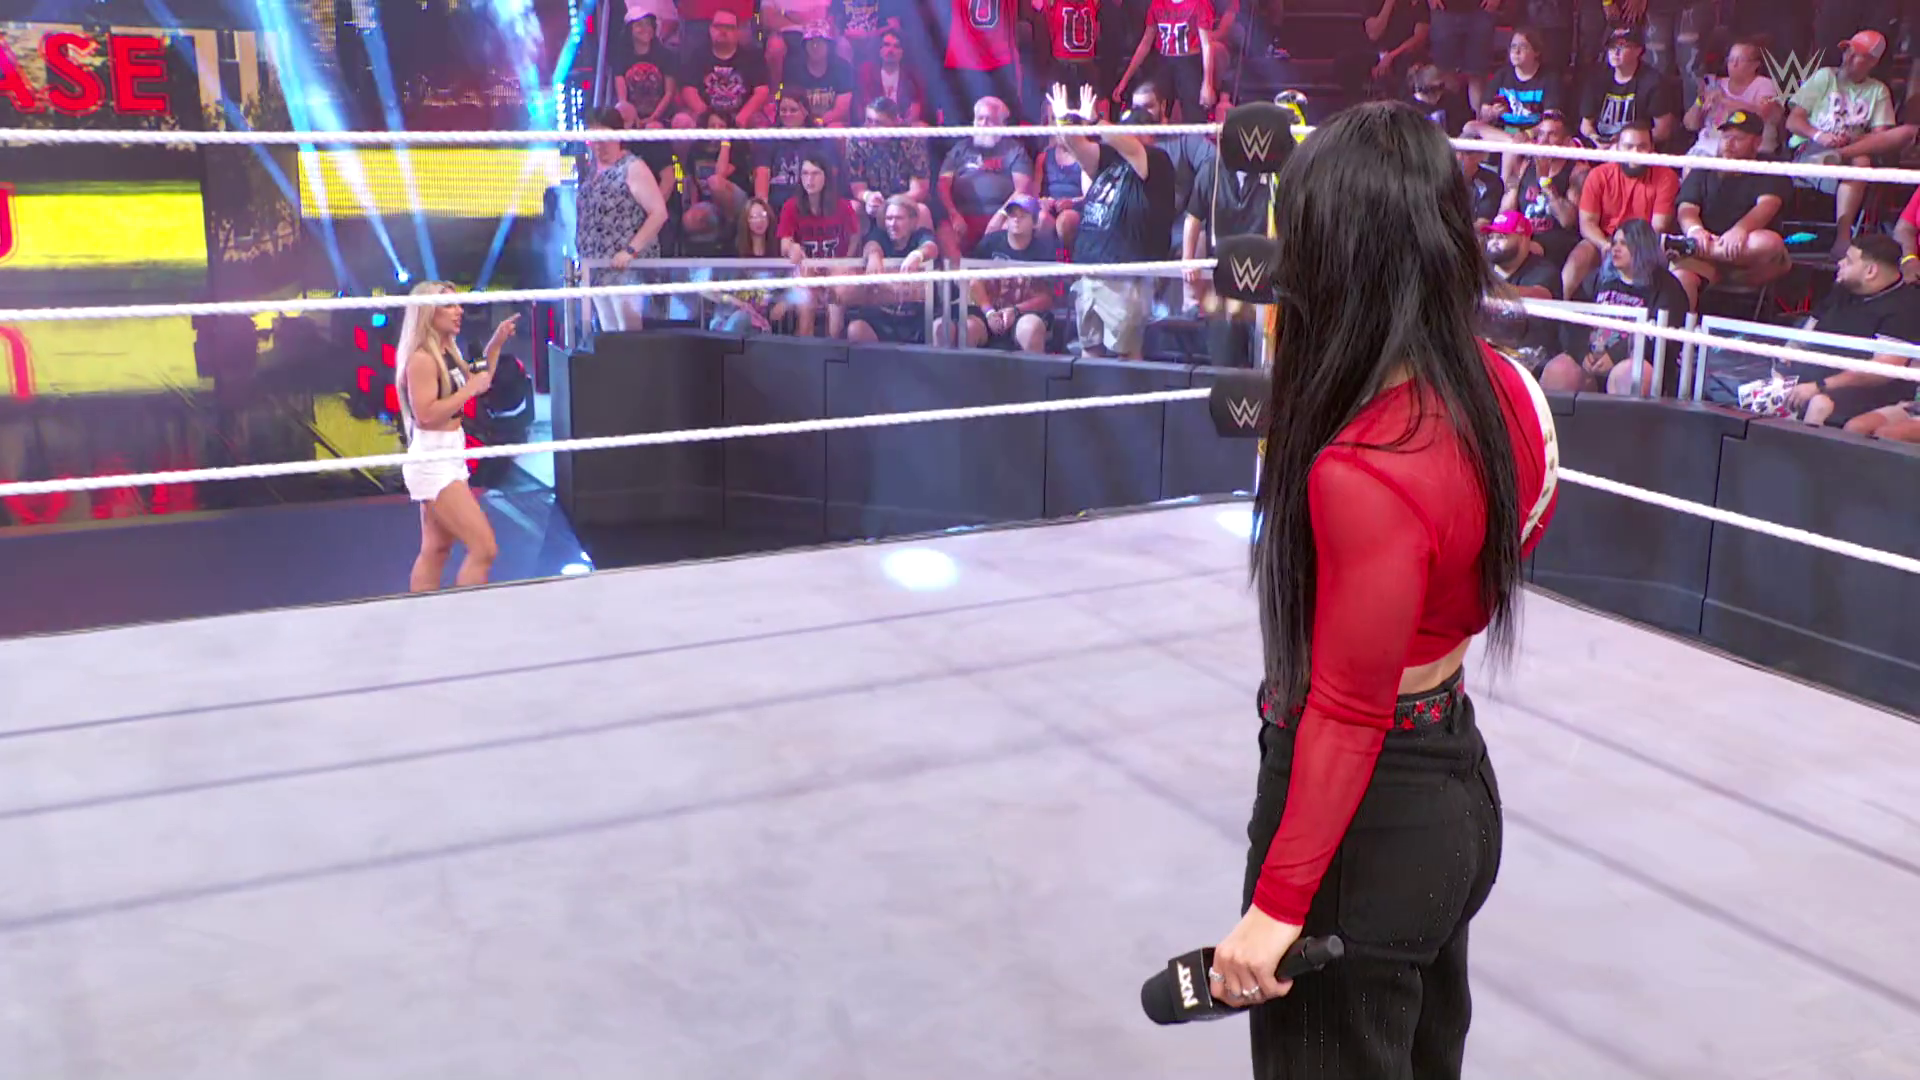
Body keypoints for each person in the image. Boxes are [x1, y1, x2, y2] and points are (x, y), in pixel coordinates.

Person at [1208, 99, 1557, 1079]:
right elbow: (1510, 535)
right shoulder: (1504, 388)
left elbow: (1349, 712)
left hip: (1370, 827)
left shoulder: (1366, 471)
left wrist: (1278, 905)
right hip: (1453, 782)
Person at [394, 282, 519, 592]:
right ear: (428, 312)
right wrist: (468, 390)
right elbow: (426, 415)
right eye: (449, 306)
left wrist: (495, 343)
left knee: (436, 549)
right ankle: (464, 614)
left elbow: (479, 378)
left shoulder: (447, 350)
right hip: (433, 459)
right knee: (484, 548)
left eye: (459, 304)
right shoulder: (422, 359)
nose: (459, 311)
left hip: (450, 453)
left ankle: (424, 612)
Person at [1047, 84, 1175, 360]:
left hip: (1125, 276)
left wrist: (1095, 121)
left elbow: (1132, 147)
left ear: (1148, 134)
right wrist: (1065, 120)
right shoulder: (1109, 159)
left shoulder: (1157, 160)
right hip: (1091, 269)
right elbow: (1078, 147)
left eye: (1132, 131)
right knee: (1089, 351)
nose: (1125, 136)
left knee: (1126, 356)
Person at [1544, 217, 1691, 396]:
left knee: (1629, 375)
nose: (1615, 248)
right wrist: (1582, 352)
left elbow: (1663, 340)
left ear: (1643, 247)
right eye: (1614, 243)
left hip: (1634, 360)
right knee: (1558, 370)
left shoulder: (1667, 287)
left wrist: (1616, 355)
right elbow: (1572, 320)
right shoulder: (1598, 278)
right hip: (1592, 358)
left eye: (1624, 244)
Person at [1670, 110, 1791, 309]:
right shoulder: (1704, 167)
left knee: (1770, 242)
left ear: (1757, 142)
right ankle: (1680, 333)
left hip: (1747, 260)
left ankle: (1688, 247)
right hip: (1704, 252)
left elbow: (1768, 205)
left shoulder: (1769, 168)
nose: (1729, 143)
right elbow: (1687, 208)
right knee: (1681, 279)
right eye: (1726, 137)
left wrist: (1740, 230)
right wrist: (1695, 231)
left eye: (1738, 138)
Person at [577, 108, 671, 333]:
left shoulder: (632, 167)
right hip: (596, 265)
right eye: (593, 139)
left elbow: (659, 213)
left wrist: (630, 251)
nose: (598, 145)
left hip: (625, 268)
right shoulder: (592, 170)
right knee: (608, 332)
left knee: (627, 332)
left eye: (604, 138)